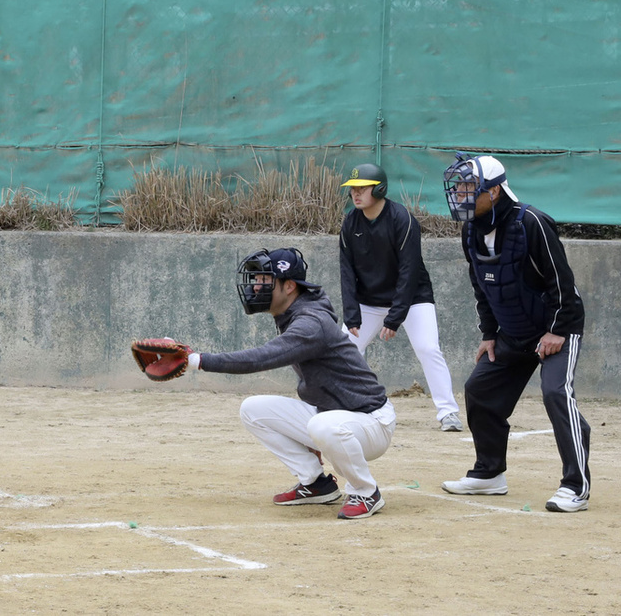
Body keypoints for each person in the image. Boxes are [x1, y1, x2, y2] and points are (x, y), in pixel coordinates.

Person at [183, 248, 396, 520]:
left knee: (323, 426)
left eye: (264, 281)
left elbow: (261, 359)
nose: (256, 287)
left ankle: (366, 492)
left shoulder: (311, 322)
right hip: (335, 414)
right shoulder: (292, 314)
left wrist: (197, 361)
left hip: (371, 422)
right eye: (257, 280)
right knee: (253, 409)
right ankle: (315, 483)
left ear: (290, 286)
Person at [439, 153, 590, 513]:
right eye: (458, 187)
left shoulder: (532, 223)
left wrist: (558, 330)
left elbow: (562, 283)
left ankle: (576, 486)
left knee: (555, 393)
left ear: (493, 192)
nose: (461, 195)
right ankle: (489, 474)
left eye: (468, 188)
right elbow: (483, 285)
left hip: (557, 327)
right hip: (514, 332)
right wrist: (489, 333)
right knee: (480, 388)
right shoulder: (470, 229)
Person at [339, 163, 463, 432]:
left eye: (362, 188)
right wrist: (351, 314)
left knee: (428, 348)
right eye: (352, 190)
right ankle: (351, 404)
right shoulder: (350, 222)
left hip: (413, 298)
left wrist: (395, 318)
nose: (356, 194)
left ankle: (448, 412)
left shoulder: (402, 219)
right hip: (369, 300)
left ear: (380, 189)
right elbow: (346, 271)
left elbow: (409, 271)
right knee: (345, 348)